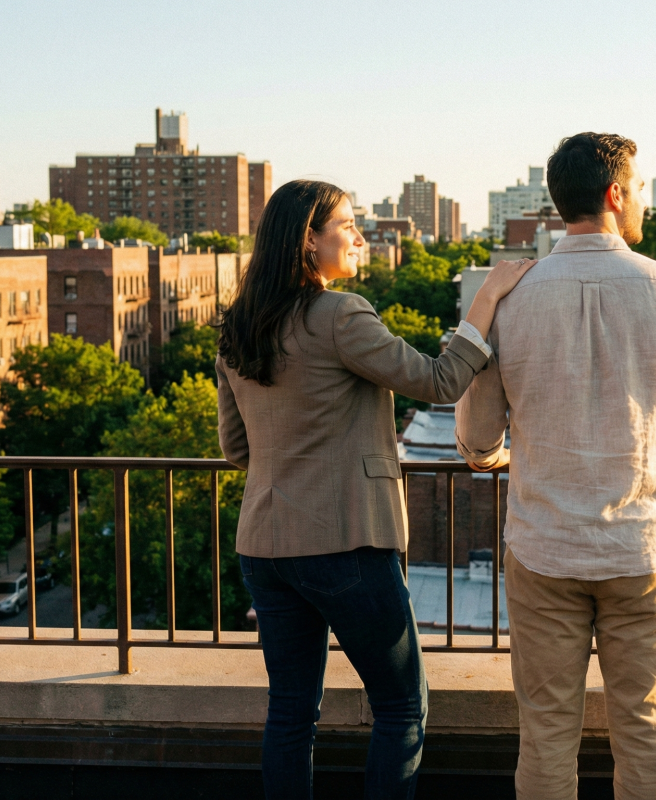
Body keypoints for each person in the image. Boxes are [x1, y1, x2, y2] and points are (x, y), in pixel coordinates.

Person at [216, 179, 534, 800]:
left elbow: (236, 450)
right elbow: (440, 383)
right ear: (309, 239)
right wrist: (489, 295)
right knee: (399, 708)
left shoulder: (238, 325)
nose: (360, 236)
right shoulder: (339, 313)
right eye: (347, 225)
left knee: (290, 714)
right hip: (346, 544)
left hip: (264, 547)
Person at [455, 133, 656, 800]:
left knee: (547, 733)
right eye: (637, 189)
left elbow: (474, 437)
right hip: (643, 550)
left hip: (544, 547)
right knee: (644, 732)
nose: (641, 201)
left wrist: (492, 455)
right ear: (615, 195)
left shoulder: (509, 300)